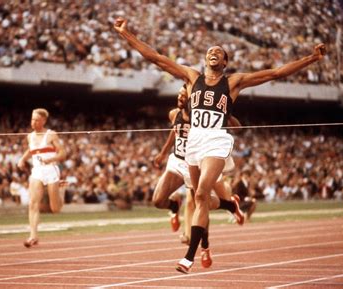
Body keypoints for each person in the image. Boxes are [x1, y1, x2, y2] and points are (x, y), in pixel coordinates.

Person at [114, 17, 326, 273]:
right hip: (194, 142)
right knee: (198, 197)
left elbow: (276, 73)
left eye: (219, 52)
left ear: (225, 62)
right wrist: (126, 33)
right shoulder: (192, 77)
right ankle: (229, 205)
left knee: (201, 194)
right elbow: (156, 58)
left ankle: (189, 256)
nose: (214, 52)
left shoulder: (234, 82)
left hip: (216, 140)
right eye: (210, 51)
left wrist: (311, 59)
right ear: (205, 61)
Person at [153, 84, 243, 269]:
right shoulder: (173, 114)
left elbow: (236, 127)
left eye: (182, 95)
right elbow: (174, 130)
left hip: (197, 161)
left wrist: (227, 114)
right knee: (157, 200)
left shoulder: (201, 117)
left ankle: (205, 247)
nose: (179, 97)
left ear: (193, 99)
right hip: (177, 161)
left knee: (201, 202)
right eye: (178, 94)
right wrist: (163, 153)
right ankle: (174, 205)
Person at [17, 108, 66, 248]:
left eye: (37, 120)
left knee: (55, 209)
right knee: (33, 203)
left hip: (51, 170)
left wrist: (51, 160)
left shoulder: (51, 135)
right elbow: (31, 150)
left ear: (44, 121)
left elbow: (63, 153)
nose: (33, 122)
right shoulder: (30, 136)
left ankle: (61, 190)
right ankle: (33, 235)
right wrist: (22, 159)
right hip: (37, 171)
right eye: (32, 119)